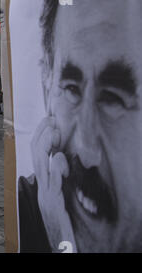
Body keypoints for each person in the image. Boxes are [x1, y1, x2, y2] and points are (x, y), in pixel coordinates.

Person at [18, 0, 142, 253]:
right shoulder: (22, 208)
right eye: (72, 89)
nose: (85, 153)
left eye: (114, 99)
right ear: (46, 88)